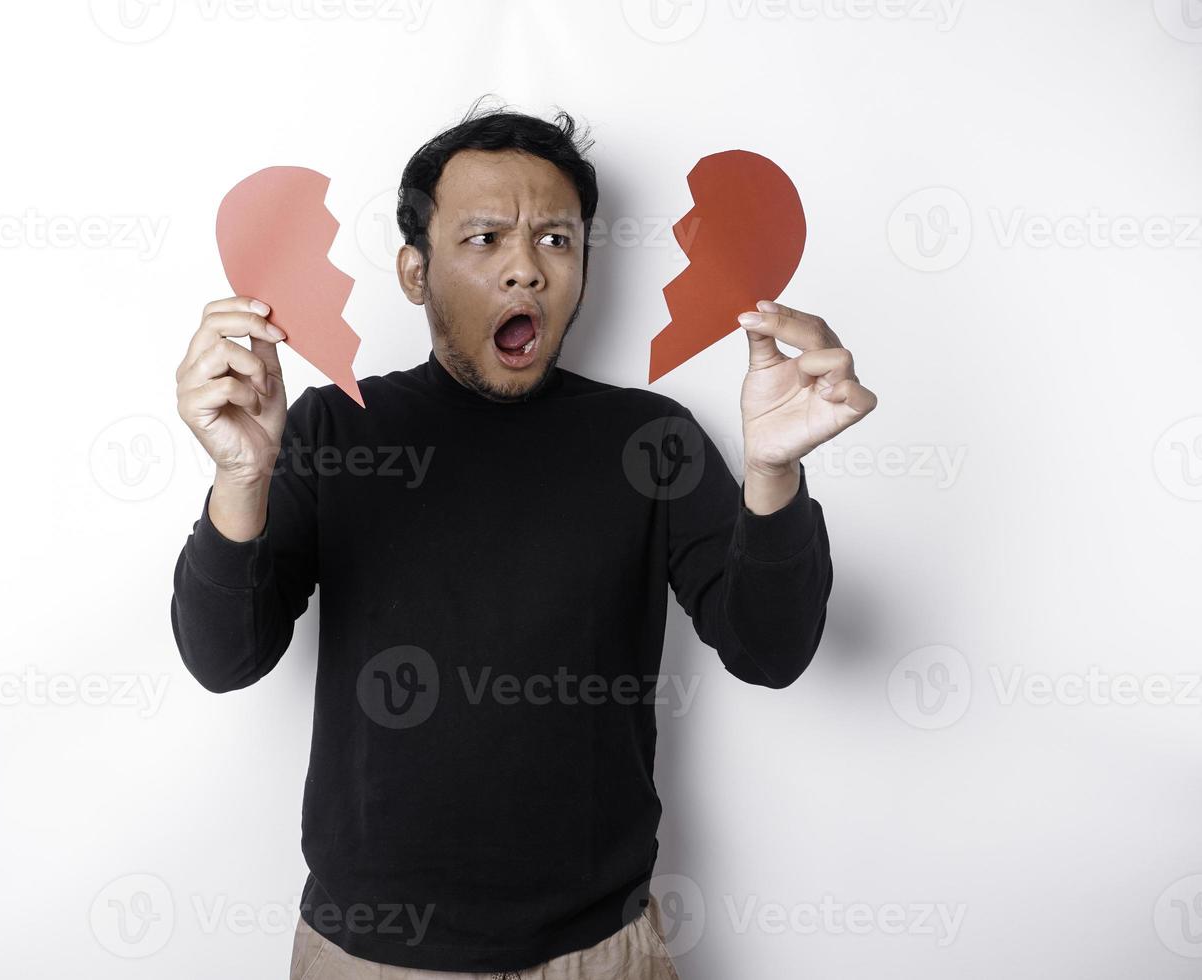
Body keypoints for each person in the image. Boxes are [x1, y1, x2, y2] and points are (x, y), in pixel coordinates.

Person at [171, 97, 876, 979]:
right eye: (482, 239)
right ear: (414, 271)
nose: (526, 271)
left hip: (600, 951)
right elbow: (221, 656)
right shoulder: (331, 429)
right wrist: (241, 478)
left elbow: (770, 649)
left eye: (555, 240)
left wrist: (773, 476)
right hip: (371, 955)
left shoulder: (649, 438)